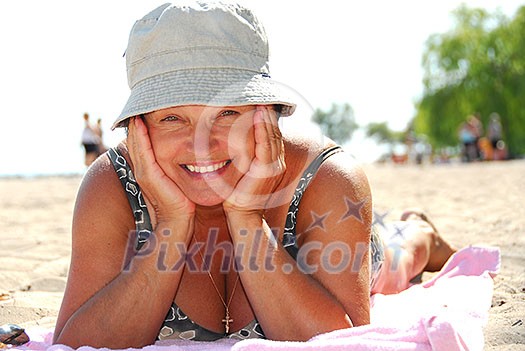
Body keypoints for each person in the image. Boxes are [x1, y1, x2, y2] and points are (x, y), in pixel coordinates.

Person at [53, 2, 456, 348]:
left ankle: (420, 231)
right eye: (172, 118)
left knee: (400, 259)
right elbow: (72, 343)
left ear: (266, 114)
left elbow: (343, 341)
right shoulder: (114, 186)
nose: (202, 145)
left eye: (227, 112)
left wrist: (247, 219)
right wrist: (173, 224)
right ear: (140, 128)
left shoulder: (326, 178)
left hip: (351, 242)